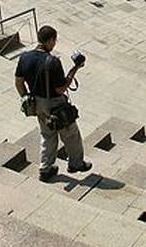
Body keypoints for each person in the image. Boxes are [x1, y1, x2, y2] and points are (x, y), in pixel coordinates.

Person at [14, 25, 91, 182]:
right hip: (55, 104)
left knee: (47, 135)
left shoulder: (24, 57)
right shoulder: (52, 61)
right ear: (49, 40)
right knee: (71, 133)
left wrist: (26, 97)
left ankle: (46, 168)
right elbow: (61, 88)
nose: (54, 44)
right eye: (54, 40)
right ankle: (76, 163)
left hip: (37, 104)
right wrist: (75, 68)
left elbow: (18, 82)